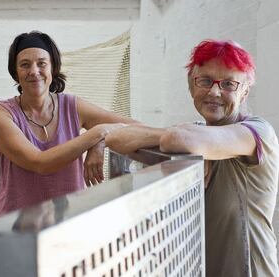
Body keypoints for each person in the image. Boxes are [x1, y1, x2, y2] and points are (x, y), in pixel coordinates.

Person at [106, 39, 279, 276]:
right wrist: (186, 141)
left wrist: (184, 140)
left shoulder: (258, 132)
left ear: (245, 91)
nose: (215, 91)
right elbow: (116, 139)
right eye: (205, 81)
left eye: (228, 84)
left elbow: (178, 140)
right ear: (191, 87)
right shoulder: (197, 132)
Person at [0, 31, 135, 217]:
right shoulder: (0, 114)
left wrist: (100, 141)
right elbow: (40, 163)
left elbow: (133, 127)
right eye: (25, 65)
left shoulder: (72, 107)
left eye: (42, 63)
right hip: (15, 225)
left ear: (53, 68)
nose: (34, 71)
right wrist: (97, 133)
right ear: (15, 72)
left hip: (68, 222)